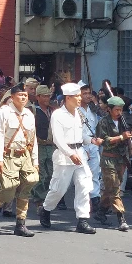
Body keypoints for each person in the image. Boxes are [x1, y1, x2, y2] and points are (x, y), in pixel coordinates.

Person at [39, 82, 97, 234]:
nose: (80, 98)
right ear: (68, 98)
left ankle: (82, 220)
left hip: (80, 153)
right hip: (64, 155)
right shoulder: (58, 115)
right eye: (77, 96)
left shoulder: (79, 113)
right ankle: (46, 209)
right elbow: (58, 139)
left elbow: (81, 135)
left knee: (84, 185)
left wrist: (91, 140)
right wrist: (70, 154)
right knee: (59, 189)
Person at [0, 83, 39, 236]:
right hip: (8, 155)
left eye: (25, 95)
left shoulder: (29, 114)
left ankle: (20, 224)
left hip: (25, 155)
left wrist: (35, 161)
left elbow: (33, 139)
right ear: (12, 97)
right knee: (8, 188)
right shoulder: (4, 112)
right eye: (20, 95)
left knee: (28, 185)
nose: (23, 97)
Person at [94, 96, 131, 231]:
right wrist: (121, 137)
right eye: (116, 110)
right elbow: (103, 140)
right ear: (109, 109)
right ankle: (121, 218)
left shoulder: (123, 121)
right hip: (108, 158)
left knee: (110, 188)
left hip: (120, 159)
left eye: (121, 109)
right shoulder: (103, 122)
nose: (119, 112)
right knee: (115, 189)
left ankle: (101, 211)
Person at [30, 85, 57, 213]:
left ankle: (46, 198)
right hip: (38, 146)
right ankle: (39, 200)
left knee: (51, 174)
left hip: (51, 146)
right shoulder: (33, 111)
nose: (47, 98)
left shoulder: (53, 111)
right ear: (38, 97)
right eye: (44, 96)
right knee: (40, 174)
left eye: (48, 95)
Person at [78, 81, 102, 212]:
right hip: (79, 146)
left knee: (94, 174)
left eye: (89, 93)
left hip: (93, 145)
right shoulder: (75, 110)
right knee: (78, 176)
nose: (87, 96)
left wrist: (97, 105)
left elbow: (99, 124)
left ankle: (95, 200)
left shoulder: (93, 109)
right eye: (84, 93)